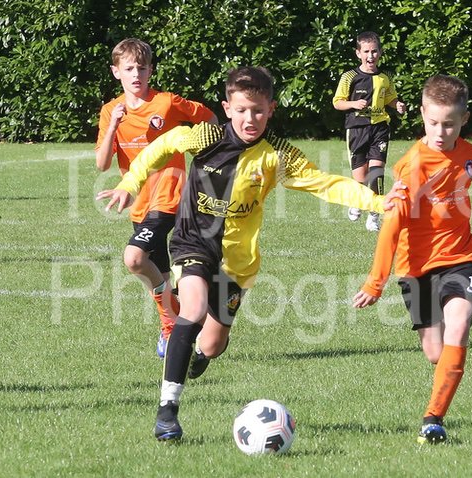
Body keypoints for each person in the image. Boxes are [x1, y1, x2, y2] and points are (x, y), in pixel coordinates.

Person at [96, 66, 406, 441]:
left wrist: (378, 202)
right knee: (191, 309)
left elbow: (325, 184)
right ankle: (167, 412)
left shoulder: (277, 154)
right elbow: (161, 146)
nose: (250, 119)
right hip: (194, 243)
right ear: (227, 108)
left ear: (270, 109)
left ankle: (198, 355)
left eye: (258, 111)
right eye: (241, 110)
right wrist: (130, 183)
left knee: (212, 344)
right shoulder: (207, 135)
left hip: (238, 263)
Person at [352, 74, 472, 444]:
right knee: (435, 352)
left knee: (459, 325)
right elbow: (391, 227)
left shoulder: (471, 155)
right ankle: (444, 381)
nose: (441, 132)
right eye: (433, 123)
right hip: (415, 268)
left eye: (449, 124)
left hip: (460, 257)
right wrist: (375, 283)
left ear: (464, 119)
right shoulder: (411, 166)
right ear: (422, 115)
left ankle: (433, 419)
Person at [95, 38, 217, 358]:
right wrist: (113, 126)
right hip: (139, 203)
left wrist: (206, 153)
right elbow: (102, 164)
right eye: (129, 69)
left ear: (150, 71)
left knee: (134, 258)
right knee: (158, 276)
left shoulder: (166, 103)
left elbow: (209, 118)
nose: (136, 74)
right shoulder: (110, 111)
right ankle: (176, 322)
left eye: (142, 68)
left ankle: (169, 322)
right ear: (116, 72)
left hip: (170, 197)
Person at [333, 31, 407, 232]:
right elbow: (337, 103)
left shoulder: (385, 77)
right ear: (358, 53)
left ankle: (374, 215)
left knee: (376, 173)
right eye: (366, 51)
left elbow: (390, 97)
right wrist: (353, 104)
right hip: (357, 129)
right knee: (360, 176)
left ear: (380, 52)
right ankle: (357, 201)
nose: (371, 55)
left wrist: (397, 105)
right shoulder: (349, 77)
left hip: (380, 128)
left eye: (374, 51)